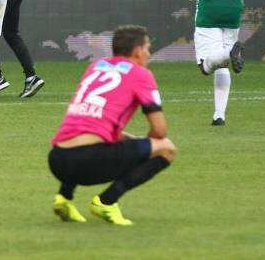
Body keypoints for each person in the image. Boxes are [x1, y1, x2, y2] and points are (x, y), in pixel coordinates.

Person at [48, 25, 176, 225]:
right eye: (148, 48)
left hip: (57, 160)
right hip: (88, 162)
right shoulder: (141, 74)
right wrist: (145, 145)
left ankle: (63, 198)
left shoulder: (96, 67)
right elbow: (160, 131)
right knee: (166, 149)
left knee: (97, 137)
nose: (149, 54)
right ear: (138, 51)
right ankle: (107, 202)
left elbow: (97, 123)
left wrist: (133, 143)